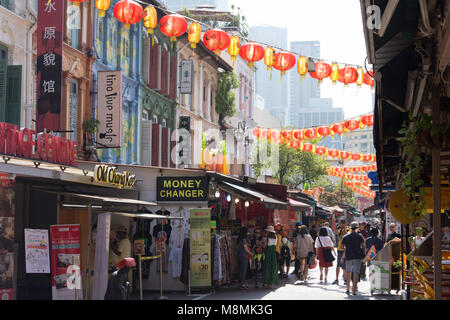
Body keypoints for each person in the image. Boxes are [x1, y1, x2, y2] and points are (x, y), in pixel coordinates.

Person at [341, 222, 366, 295]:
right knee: (356, 273)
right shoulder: (360, 236)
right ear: (357, 228)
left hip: (348, 256)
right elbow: (363, 246)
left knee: (348, 272)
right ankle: (354, 290)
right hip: (357, 256)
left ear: (350, 228)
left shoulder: (345, 236)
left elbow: (342, 247)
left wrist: (348, 247)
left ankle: (348, 288)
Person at [333, 219, 348, 285]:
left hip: (345, 249)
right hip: (339, 249)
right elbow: (336, 233)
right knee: (338, 265)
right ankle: (336, 279)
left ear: (343, 223)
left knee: (344, 265)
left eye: (340, 223)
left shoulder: (347, 229)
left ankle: (345, 279)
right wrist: (337, 228)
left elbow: (345, 234)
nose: (339, 224)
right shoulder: (340, 229)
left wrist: (344, 227)